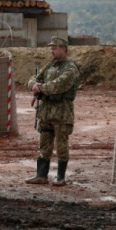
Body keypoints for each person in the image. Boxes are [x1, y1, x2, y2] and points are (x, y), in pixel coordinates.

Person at [25, 36, 80, 186]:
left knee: (61, 145)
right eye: (51, 48)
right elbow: (32, 79)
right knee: (44, 144)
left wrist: (39, 87)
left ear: (64, 50)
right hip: (46, 111)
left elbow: (58, 85)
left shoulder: (70, 68)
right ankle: (41, 175)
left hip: (62, 113)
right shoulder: (50, 66)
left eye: (55, 48)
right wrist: (34, 85)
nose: (52, 51)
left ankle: (60, 177)